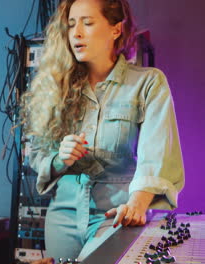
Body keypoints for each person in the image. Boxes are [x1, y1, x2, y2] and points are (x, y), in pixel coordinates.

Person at [21, 0, 184, 260]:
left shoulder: (148, 83)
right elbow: (38, 158)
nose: (76, 33)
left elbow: (157, 156)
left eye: (87, 23)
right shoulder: (55, 87)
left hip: (115, 215)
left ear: (116, 29)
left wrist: (137, 205)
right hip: (62, 215)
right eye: (72, 24)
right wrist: (59, 159)